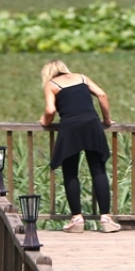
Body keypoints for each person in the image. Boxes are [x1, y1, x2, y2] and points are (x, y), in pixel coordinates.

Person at [38, 60, 120, 233]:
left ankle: (77, 219)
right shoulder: (82, 78)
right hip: (92, 124)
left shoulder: (51, 84)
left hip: (70, 127)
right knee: (98, 170)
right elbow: (102, 95)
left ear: (47, 73)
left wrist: (44, 121)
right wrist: (106, 119)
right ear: (64, 68)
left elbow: (50, 110)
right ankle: (106, 219)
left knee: (70, 172)